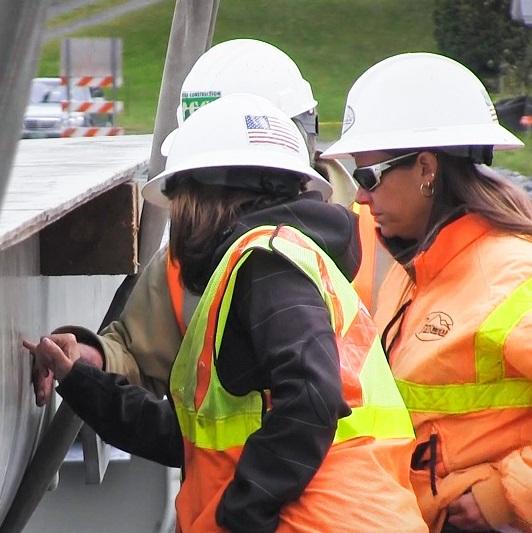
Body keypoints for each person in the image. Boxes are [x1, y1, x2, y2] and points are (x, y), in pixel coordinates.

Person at [25, 94, 427, 532]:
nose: (177, 220)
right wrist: (81, 381)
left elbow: (313, 395)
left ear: (205, 196)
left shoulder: (268, 262)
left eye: (178, 202)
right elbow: (195, 439)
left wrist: (241, 515)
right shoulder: (265, 264)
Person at [31, 38, 386, 407]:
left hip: (357, 462)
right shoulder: (187, 255)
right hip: (252, 463)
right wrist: (94, 360)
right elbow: (143, 359)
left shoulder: (383, 228)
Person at [322, 52, 532, 533]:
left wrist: (506, 495)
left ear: (426, 169)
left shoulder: (512, 276)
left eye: (367, 176)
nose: (359, 196)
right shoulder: (416, 273)